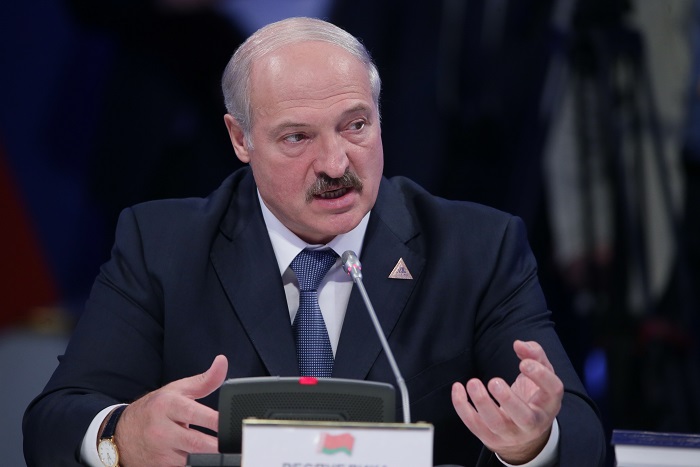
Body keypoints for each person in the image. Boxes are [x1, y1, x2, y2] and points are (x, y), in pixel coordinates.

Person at [23, 17, 606, 466]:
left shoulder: (478, 248)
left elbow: (584, 436)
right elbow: (53, 423)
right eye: (297, 137)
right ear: (240, 138)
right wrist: (120, 435)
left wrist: (533, 441)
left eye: (356, 125)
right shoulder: (162, 245)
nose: (335, 163)